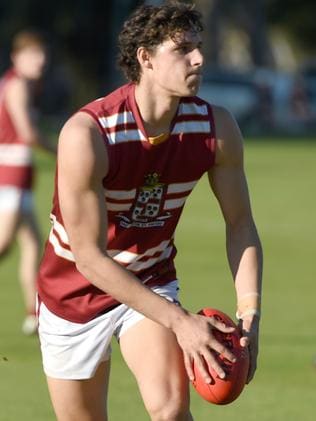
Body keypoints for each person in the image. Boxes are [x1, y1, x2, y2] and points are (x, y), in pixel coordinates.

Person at [37, 2, 263, 420]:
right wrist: (182, 323)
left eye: (200, 46)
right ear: (146, 58)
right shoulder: (88, 134)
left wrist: (250, 314)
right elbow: (89, 257)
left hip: (150, 278)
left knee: (171, 410)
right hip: (72, 292)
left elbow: (241, 224)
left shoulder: (216, 128)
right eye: (183, 49)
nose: (199, 58)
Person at [0, 30, 55, 335]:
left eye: (42, 55)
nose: (41, 61)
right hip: (11, 172)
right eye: (33, 55)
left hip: (17, 172)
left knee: (33, 243)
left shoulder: (16, 84)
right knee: (4, 243)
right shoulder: (18, 86)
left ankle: (33, 313)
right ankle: (34, 313)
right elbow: (28, 134)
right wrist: (63, 151)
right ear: (16, 58)